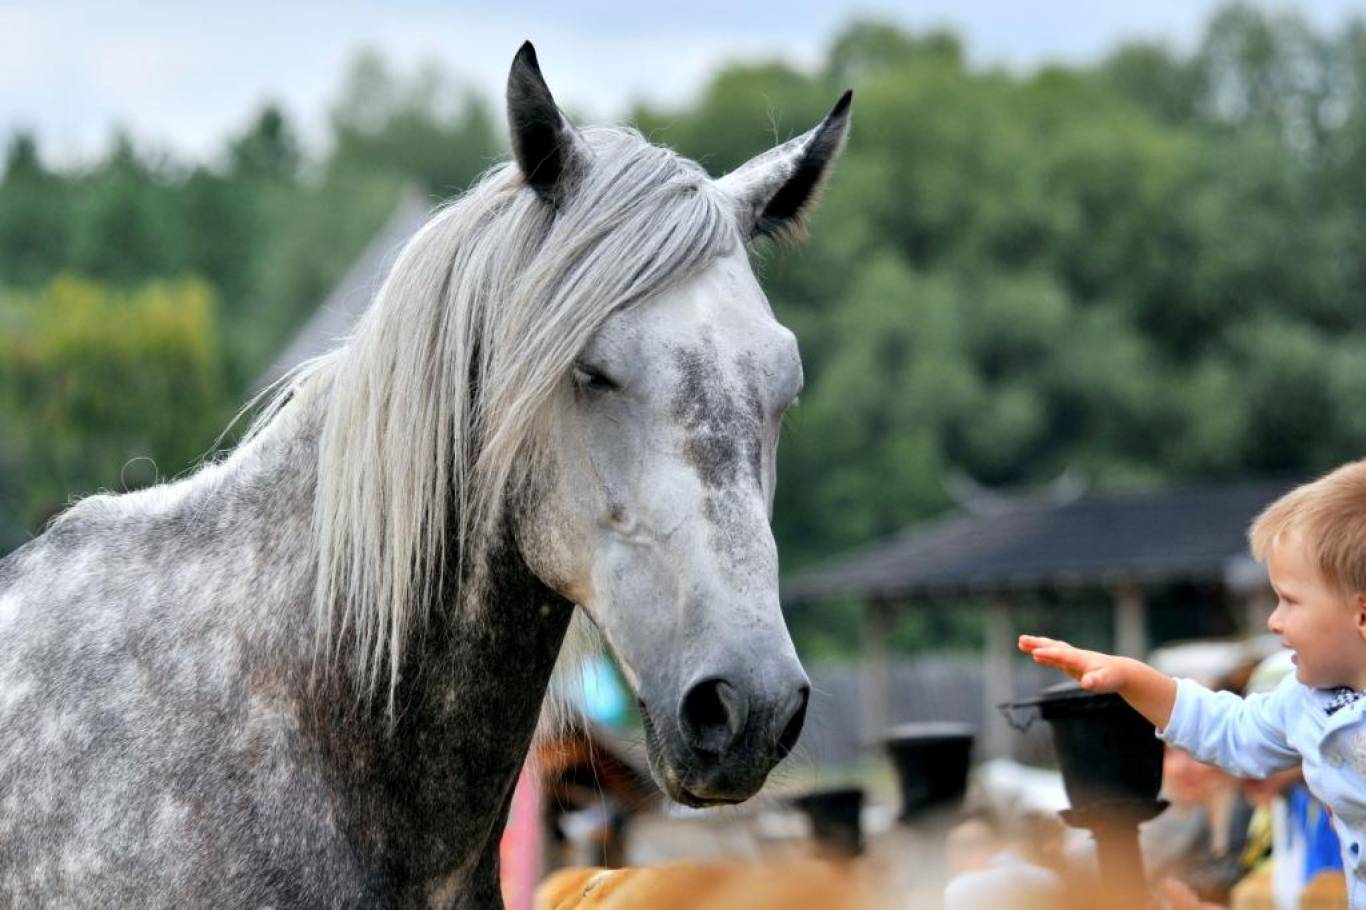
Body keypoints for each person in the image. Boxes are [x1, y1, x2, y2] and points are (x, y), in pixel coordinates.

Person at [1019, 461, 1366, 909]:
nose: (1273, 622)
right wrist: (1134, 679)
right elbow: (1230, 727)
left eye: (1290, 601)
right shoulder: (1307, 705)